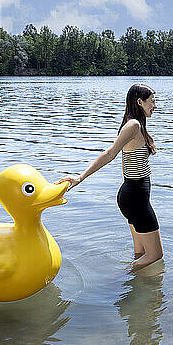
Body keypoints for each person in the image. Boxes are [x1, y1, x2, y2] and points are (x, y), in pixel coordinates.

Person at [56, 83, 163, 272]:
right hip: (136, 196)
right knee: (155, 255)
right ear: (140, 102)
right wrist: (80, 177)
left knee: (141, 253)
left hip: (132, 195)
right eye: (152, 101)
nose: (155, 106)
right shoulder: (133, 125)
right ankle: (120, 278)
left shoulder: (135, 124)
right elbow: (110, 153)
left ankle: (136, 285)